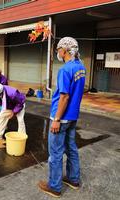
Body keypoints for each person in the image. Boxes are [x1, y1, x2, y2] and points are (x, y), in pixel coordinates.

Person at [38, 37, 86, 198]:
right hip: (73, 116)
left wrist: (56, 119)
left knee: (55, 153)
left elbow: (64, 97)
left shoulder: (65, 70)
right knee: (71, 148)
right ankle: (73, 179)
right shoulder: (81, 67)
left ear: (64, 50)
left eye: (58, 49)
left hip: (61, 117)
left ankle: (54, 186)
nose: (57, 52)